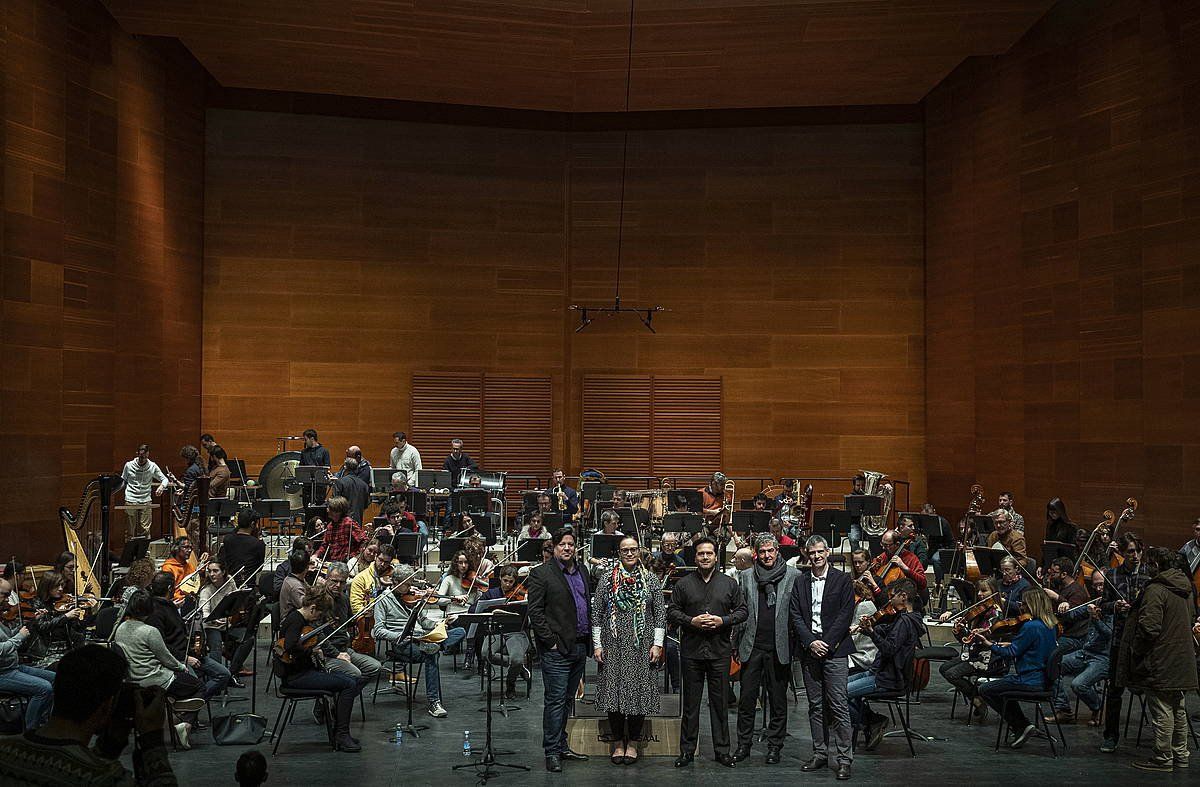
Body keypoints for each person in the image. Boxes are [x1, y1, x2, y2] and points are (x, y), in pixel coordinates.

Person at [0, 644, 176, 785]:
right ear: (106, 706)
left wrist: (111, 744)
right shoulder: (106, 778)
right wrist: (152, 741)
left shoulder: (5, 751)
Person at [667, 537, 747, 769]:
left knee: (720, 704)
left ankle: (722, 751)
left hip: (719, 652)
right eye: (701, 553)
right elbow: (672, 611)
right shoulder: (683, 584)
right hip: (691, 652)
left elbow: (742, 611)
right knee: (691, 705)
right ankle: (687, 752)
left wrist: (722, 620)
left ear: (715, 556)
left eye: (709, 553)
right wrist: (691, 620)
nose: (704, 557)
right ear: (695, 557)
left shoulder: (729, 583)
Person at [1118, 547, 1197, 772]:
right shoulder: (1186, 588)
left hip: (1161, 658)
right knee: (1178, 707)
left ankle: (1163, 757)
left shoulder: (1156, 589)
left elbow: (1149, 628)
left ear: (1156, 565)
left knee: (1162, 709)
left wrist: (1137, 651)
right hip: (1182, 657)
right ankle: (1180, 754)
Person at [591, 535, 666, 765]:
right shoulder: (607, 579)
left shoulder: (651, 580)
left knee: (638, 691)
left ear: (639, 552)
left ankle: (632, 742)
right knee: (613, 691)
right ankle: (617, 741)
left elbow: (660, 613)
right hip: (612, 642)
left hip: (641, 644)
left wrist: (658, 643)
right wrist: (597, 644)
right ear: (619, 553)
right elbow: (597, 613)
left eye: (633, 549)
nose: (630, 554)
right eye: (625, 550)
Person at [790, 534, 856, 781]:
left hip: (835, 650)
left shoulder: (842, 580)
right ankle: (820, 753)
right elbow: (796, 615)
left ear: (827, 552)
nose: (816, 557)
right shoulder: (800, 581)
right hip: (811, 651)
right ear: (807, 555)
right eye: (812, 553)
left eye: (820, 552)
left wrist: (826, 643)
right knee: (815, 706)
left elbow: (845, 614)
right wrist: (810, 642)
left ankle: (844, 759)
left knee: (838, 705)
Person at [526, 528, 592, 772]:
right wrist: (550, 641)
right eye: (563, 544)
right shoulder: (540, 574)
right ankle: (551, 751)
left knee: (567, 702)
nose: (567, 548)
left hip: (579, 646)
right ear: (553, 547)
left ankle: (562, 745)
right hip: (556, 650)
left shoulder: (582, 570)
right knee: (555, 701)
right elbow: (535, 611)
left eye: (571, 544)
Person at [732, 535, 800, 765]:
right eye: (762, 552)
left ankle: (775, 746)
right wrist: (735, 643)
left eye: (770, 551)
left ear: (778, 550)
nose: (767, 555)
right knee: (747, 701)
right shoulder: (747, 576)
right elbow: (741, 613)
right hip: (752, 647)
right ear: (756, 553)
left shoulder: (793, 576)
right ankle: (743, 745)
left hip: (779, 647)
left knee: (778, 702)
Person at [275, 585, 363, 752]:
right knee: (349, 684)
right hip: (296, 677)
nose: (318, 619)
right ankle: (341, 734)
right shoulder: (296, 620)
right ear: (313, 608)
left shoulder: (300, 620)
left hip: (304, 672)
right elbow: (290, 646)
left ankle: (340, 732)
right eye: (319, 615)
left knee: (350, 681)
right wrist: (312, 650)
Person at [372, 566, 466, 720]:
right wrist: (400, 636)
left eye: (411, 584)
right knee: (432, 654)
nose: (411, 588)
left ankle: (436, 645)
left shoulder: (412, 598)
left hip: (421, 638)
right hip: (403, 644)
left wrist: (439, 624)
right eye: (407, 584)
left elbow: (424, 621)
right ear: (395, 582)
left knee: (460, 631)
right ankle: (434, 702)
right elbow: (378, 630)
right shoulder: (383, 600)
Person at [113, 590, 205, 747]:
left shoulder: (120, 629)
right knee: (199, 685)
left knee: (183, 685)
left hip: (133, 681)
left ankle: (176, 709)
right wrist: (182, 667)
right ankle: (186, 723)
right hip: (156, 680)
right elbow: (166, 658)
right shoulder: (150, 631)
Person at [974, 588, 1058, 748]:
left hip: (1029, 680)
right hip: (1045, 680)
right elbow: (1033, 647)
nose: (1022, 607)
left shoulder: (1031, 626)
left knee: (986, 689)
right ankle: (1021, 725)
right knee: (1001, 688)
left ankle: (1021, 725)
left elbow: (1011, 653)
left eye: (1025, 604)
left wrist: (988, 644)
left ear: (1033, 605)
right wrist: (1010, 644)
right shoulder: (1050, 624)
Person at [848, 579, 924, 750]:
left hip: (888, 679)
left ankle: (871, 722)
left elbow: (889, 649)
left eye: (892, 597)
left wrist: (871, 633)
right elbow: (887, 630)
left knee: (839, 695)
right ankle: (872, 722)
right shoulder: (904, 617)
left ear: (903, 597)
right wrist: (867, 627)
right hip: (879, 672)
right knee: (837, 689)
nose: (889, 601)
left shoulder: (906, 622)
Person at [1099, 532, 1150, 753]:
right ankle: (1110, 736)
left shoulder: (1149, 576)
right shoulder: (1113, 575)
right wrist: (1115, 607)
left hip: (1142, 640)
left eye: (1138, 551)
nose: (1136, 556)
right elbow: (1103, 605)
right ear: (1121, 552)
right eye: (1131, 551)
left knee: (1152, 688)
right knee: (1114, 690)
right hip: (1120, 638)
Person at [145, 571, 231, 702]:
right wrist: (185, 658)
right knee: (197, 687)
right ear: (169, 588)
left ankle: (190, 704)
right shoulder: (155, 612)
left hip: (190, 653)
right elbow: (161, 645)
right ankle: (187, 711)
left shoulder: (168, 605)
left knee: (224, 674)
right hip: (178, 658)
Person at [937, 578, 1004, 719]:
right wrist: (959, 631)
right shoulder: (978, 610)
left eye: (984, 590)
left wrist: (968, 633)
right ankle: (977, 697)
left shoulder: (995, 613)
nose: (980, 594)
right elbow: (966, 641)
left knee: (952, 674)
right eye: (978, 590)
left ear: (994, 592)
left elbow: (983, 640)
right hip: (973, 653)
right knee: (944, 669)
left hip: (986, 657)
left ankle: (978, 700)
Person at [1055, 569, 1111, 726]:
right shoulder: (1096, 602)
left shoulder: (1115, 606)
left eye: (1102, 585)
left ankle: (1097, 707)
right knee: (1052, 667)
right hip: (1086, 652)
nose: (1099, 589)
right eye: (1096, 586)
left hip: (1104, 657)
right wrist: (1065, 604)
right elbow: (1073, 614)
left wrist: (1097, 619)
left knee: (1078, 685)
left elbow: (1110, 634)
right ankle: (1064, 710)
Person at [468, 565, 532, 699]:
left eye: (511, 582)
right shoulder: (491, 593)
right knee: (486, 653)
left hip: (516, 632)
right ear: (500, 579)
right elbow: (475, 609)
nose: (508, 585)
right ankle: (518, 667)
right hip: (495, 632)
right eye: (505, 580)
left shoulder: (520, 595)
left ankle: (510, 685)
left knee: (517, 658)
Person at [0, 576, 54, 730]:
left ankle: (46, 724)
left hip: (12, 667)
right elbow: (2, 649)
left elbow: (11, 638)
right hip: (2, 673)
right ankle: (31, 732)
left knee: (57, 679)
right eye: (5, 595)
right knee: (44, 688)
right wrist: (19, 636)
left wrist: (33, 622)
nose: (8, 600)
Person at [1042, 557, 1090, 722]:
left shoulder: (1077, 592)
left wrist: (1057, 598)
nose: (1050, 575)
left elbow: (1072, 616)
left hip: (1075, 638)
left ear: (1063, 574)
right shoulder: (1060, 586)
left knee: (1052, 659)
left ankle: (1063, 708)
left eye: (1053, 572)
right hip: (1061, 634)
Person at [318, 563, 382, 685]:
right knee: (355, 673)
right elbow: (318, 637)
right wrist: (337, 654)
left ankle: (345, 695)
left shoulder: (343, 598)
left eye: (342, 582)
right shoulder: (319, 600)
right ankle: (340, 694)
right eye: (334, 581)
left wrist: (363, 616)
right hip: (327, 653)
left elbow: (349, 621)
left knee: (375, 666)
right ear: (326, 579)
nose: (338, 585)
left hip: (344, 648)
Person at [119, 444, 169, 539]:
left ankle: (144, 552)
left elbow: (165, 479)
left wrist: (161, 487)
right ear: (137, 454)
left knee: (145, 530)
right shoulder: (129, 465)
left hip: (146, 500)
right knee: (130, 531)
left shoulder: (152, 466)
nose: (142, 459)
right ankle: (130, 553)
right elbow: (123, 480)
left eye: (145, 457)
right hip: (130, 499)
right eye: (141, 457)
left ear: (148, 454)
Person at [872, 529, 927, 610]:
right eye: (882, 544)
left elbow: (923, 583)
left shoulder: (911, 558)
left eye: (887, 545)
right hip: (883, 600)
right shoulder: (884, 556)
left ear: (897, 544)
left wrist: (905, 568)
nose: (883, 548)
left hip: (903, 604)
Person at [218, 509, 266, 580]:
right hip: (248, 585)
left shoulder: (227, 539)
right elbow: (259, 568)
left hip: (228, 583)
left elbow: (222, 561)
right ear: (252, 524)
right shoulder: (258, 544)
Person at [349, 544, 395, 615]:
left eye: (386, 562)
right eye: (380, 560)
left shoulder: (394, 576)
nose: (382, 564)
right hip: (370, 616)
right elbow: (356, 606)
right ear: (375, 557)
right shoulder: (361, 578)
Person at [319, 496, 367, 564]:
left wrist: (354, 557)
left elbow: (364, 541)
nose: (327, 510)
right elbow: (324, 545)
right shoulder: (330, 526)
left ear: (337, 511)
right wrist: (315, 555)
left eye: (329, 508)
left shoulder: (349, 523)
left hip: (346, 563)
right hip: (334, 563)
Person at [160, 536, 206, 603]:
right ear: (176, 549)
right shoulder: (168, 567)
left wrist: (201, 567)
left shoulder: (188, 565)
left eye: (191, 548)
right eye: (186, 547)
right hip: (177, 602)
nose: (190, 550)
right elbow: (167, 593)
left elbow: (194, 583)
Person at [299, 428, 331, 521]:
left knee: (319, 508)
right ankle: (308, 530)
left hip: (320, 486)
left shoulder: (324, 451)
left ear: (312, 439)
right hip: (307, 486)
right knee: (307, 508)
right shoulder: (303, 452)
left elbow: (327, 467)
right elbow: (301, 468)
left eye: (306, 439)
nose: (305, 442)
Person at [331, 464, 370, 528]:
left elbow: (335, 504)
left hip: (342, 523)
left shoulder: (339, 482)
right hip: (358, 522)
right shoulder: (364, 485)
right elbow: (366, 505)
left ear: (345, 468)